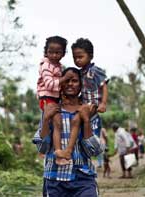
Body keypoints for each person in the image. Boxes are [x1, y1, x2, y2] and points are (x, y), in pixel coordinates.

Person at [33, 67, 103, 196]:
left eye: (75, 81)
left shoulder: (89, 111)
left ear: (81, 85)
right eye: (66, 80)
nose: (70, 84)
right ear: (61, 84)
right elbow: (42, 148)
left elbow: (94, 150)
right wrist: (47, 118)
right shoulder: (51, 110)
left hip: (83, 177)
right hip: (54, 178)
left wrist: (86, 120)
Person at [56, 38, 109, 162]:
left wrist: (103, 103)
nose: (77, 60)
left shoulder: (95, 71)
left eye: (80, 57)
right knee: (79, 125)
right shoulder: (80, 73)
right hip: (85, 103)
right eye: (75, 57)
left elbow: (104, 86)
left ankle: (68, 151)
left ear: (90, 56)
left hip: (93, 105)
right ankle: (76, 152)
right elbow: (81, 91)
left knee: (77, 120)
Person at [36, 36, 73, 165]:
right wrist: (64, 78)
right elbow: (50, 85)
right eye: (50, 51)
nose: (54, 55)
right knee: (57, 123)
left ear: (63, 53)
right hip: (47, 98)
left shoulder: (58, 66)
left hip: (54, 98)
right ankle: (58, 154)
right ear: (46, 51)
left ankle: (55, 151)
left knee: (57, 124)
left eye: (58, 52)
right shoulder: (46, 65)